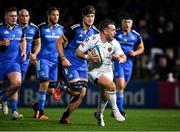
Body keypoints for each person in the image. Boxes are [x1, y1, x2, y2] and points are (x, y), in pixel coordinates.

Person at [76, 19, 126, 126]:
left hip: (108, 71)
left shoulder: (114, 42)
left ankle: (99, 114)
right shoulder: (92, 39)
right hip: (94, 71)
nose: (115, 32)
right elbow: (78, 52)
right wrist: (87, 56)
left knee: (104, 96)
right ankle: (115, 110)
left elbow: (123, 56)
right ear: (105, 31)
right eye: (112, 30)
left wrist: (121, 59)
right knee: (112, 86)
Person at [56, 5, 98, 124]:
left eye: (92, 16)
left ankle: (64, 117)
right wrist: (63, 58)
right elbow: (59, 42)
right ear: (83, 17)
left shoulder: (95, 32)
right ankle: (61, 87)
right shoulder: (75, 29)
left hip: (83, 64)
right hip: (70, 63)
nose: (90, 19)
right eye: (88, 16)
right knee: (77, 90)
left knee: (82, 93)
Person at [34, 7, 64, 120]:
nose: (55, 17)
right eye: (53, 15)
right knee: (44, 83)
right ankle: (41, 112)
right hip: (42, 60)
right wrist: (33, 55)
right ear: (48, 16)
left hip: (55, 62)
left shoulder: (61, 29)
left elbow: (63, 44)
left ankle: (36, 106)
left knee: (51, 91)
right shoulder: (40, 28)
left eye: (57, 15)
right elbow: (35, 43)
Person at [113, 17, 144, 116]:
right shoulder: (116, 33)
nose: (127, 24)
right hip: (118, 62)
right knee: (120, 85)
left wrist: (135, 52)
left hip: (129, 64)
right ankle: (120, 110)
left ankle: (115, 110)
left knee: (121, 88)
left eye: (129, 22)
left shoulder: (136, 35)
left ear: (132, 23)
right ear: (122, 23)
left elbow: (141, 48)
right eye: (125, 22)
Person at [0, 7, 27, 120]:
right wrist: (1, 42)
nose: (14, 18)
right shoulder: (0, 28)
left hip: (13, 62)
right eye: (11, 16)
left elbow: (22, 40)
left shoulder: (19, 29)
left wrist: (24, 51)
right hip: (0, 62)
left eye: (15, 16)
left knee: (17, 83)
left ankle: (4, 99)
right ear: (6, 17)